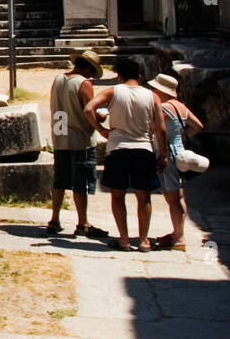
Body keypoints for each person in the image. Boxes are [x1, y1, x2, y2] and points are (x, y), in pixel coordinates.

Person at [84, 57, 167, 252]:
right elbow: (161, 129)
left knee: (118, 195)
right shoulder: (152, 96)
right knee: (143, 197)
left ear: (119, 75)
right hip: (143, 148)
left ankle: (124, 239)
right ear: (140, 75)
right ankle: (144, 240)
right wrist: (162, 154)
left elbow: (89, 108)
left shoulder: (112, 91)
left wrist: (101, 129)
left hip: (117, 148)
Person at [47, 49, 107, 239]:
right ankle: (82, 222)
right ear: (88, 68)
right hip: (79, 137)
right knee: (80, 182)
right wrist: (101, 122)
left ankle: (54, 219)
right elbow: (89, 110)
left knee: (60, 179)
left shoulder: (58, 79)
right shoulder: (84, 83)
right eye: (92, 71)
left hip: (60, 134)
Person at [146, 73, 203, 252]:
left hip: (167, 154)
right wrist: (182, 137)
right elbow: (198, 126)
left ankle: (179, 237)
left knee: (172, 198)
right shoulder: (181, 107)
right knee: (179, 196)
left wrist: (162, 151)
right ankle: (178, 232)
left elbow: (156, 130)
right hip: (180, 152)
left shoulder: (163, 108)